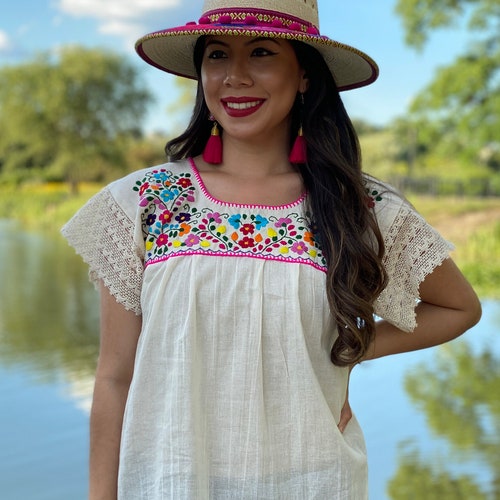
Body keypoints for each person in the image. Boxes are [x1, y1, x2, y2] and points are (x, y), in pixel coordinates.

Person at [62, 0, 482, 498]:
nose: (234, 76)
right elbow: (115, 377)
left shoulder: (359, 206)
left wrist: (345, 350)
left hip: (311, 477)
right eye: (217, 55)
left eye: (260, 52)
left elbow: (458, 308)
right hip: (170, 478)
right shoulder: (143, 202)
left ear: (304, 74)